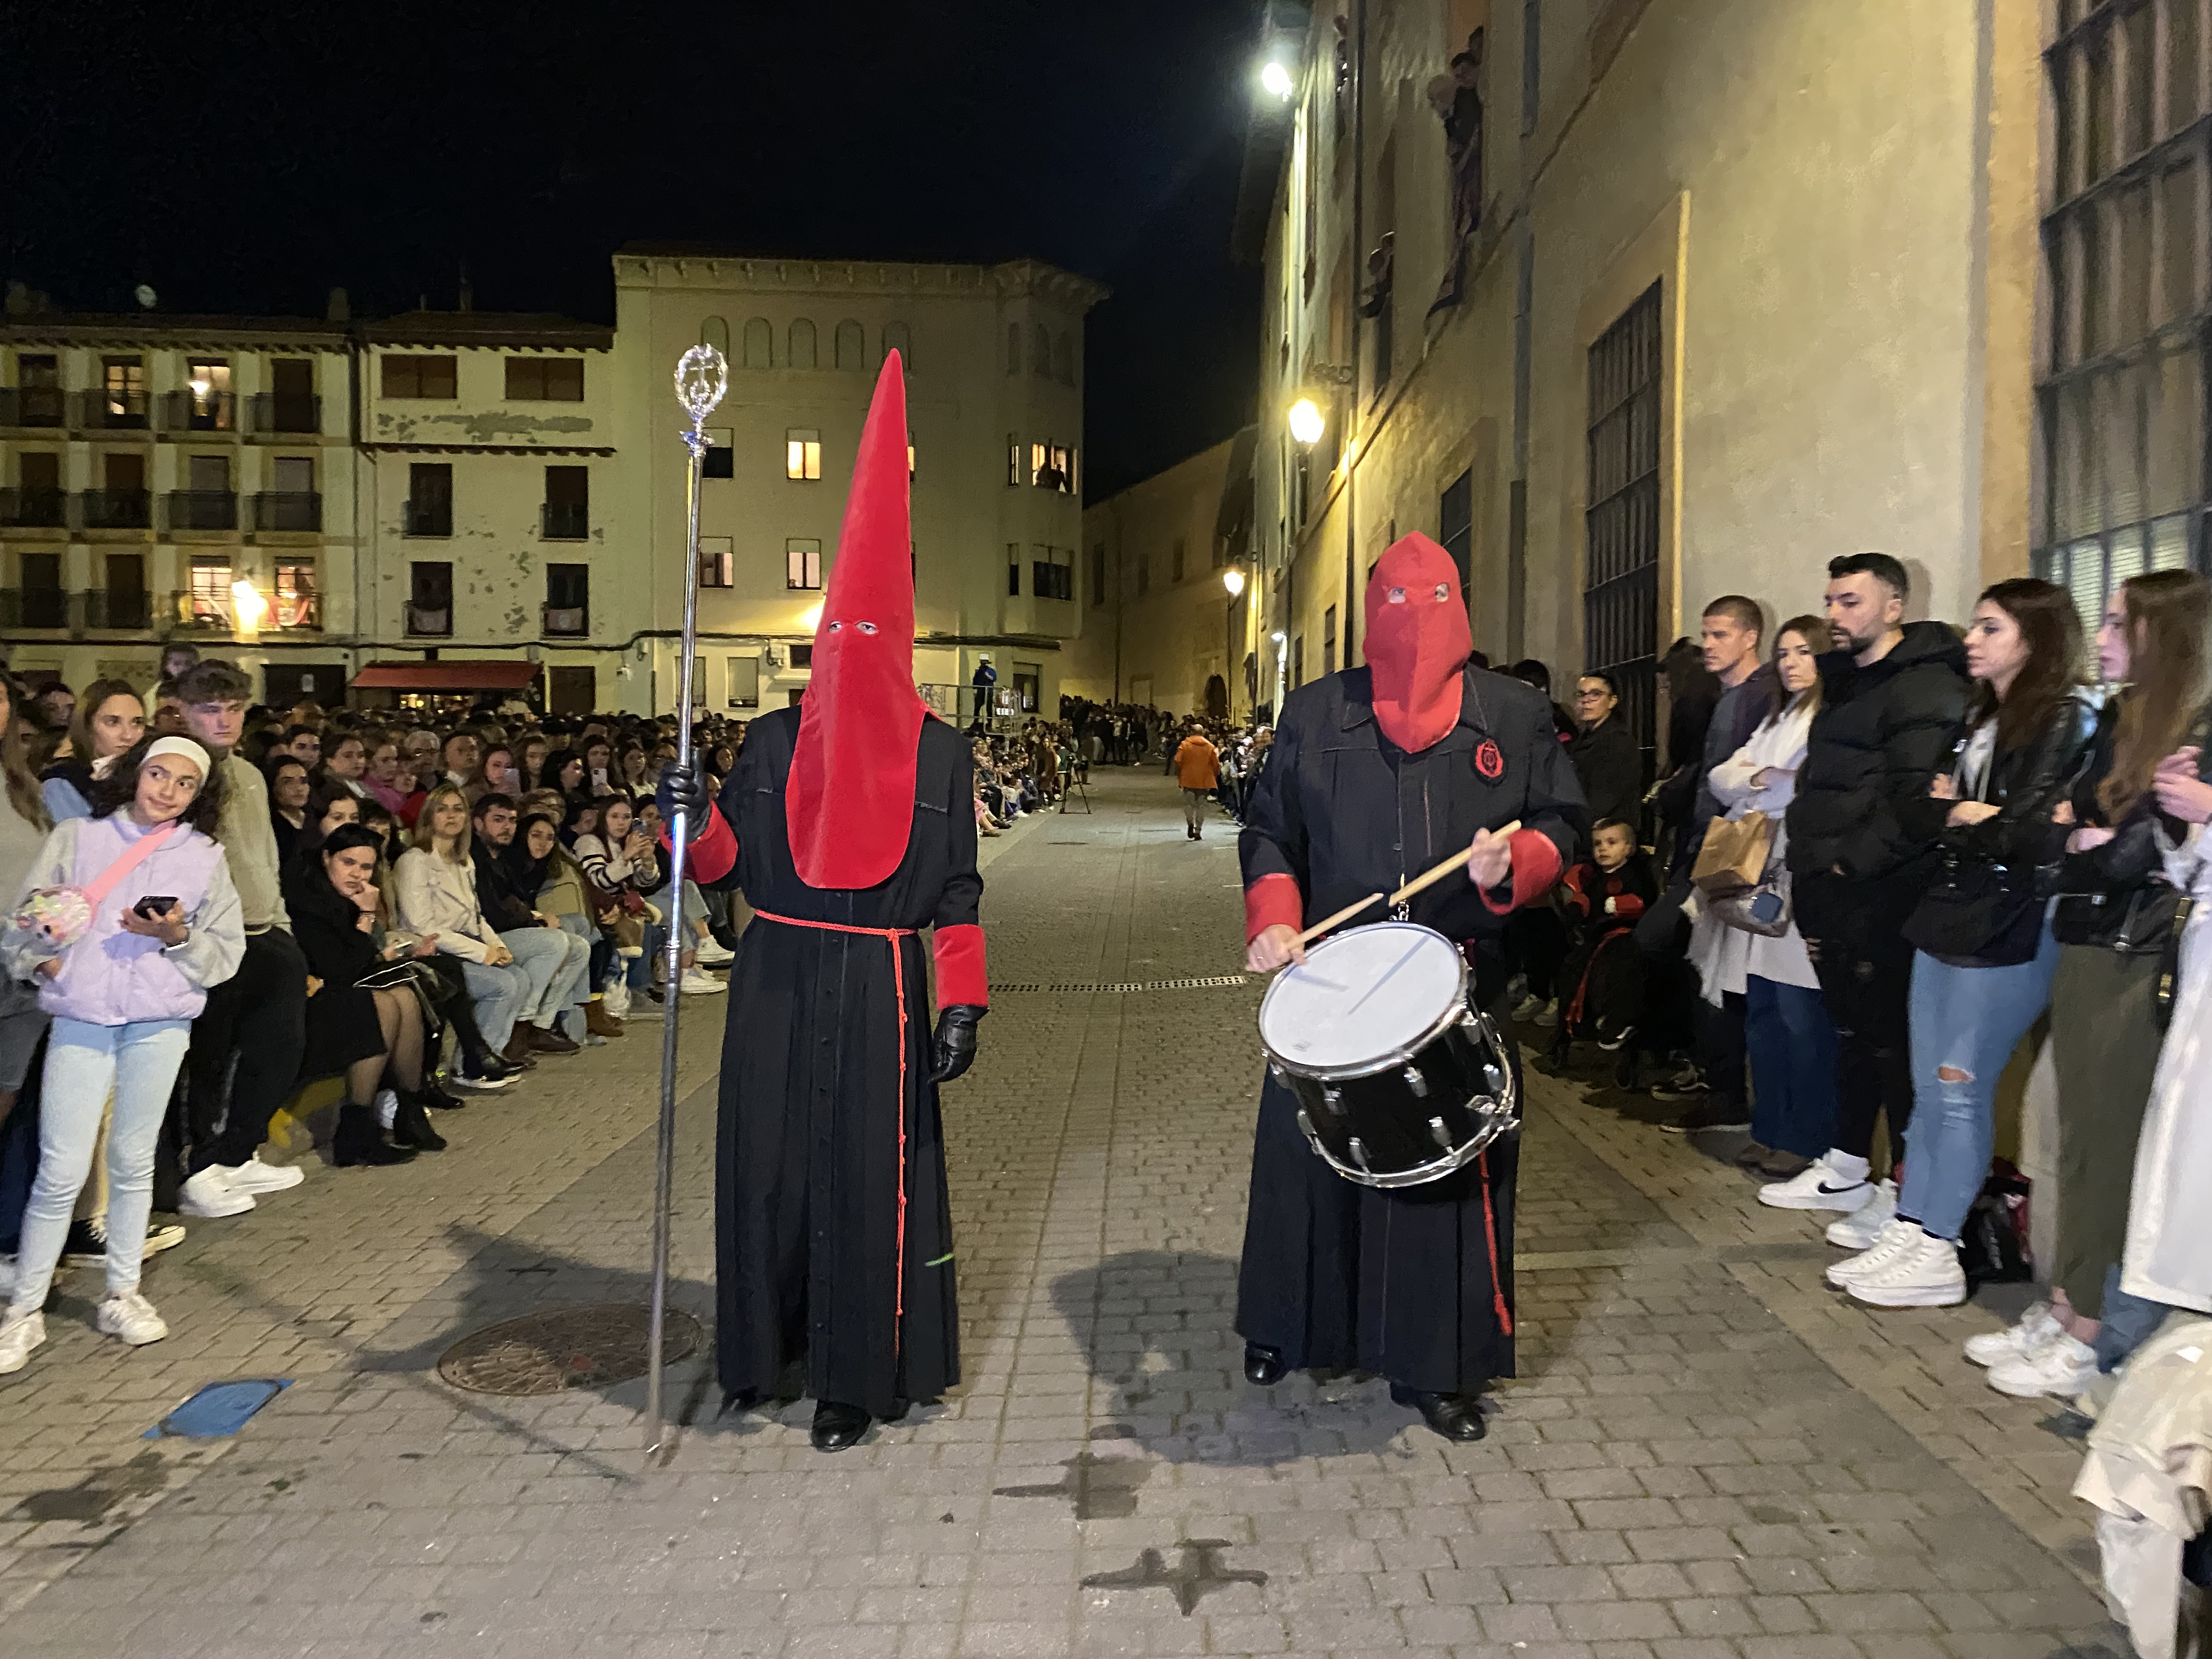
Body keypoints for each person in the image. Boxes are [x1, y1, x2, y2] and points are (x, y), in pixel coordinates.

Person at [666, 354, 989, 1453]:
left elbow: (958, 893)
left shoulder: (945, 758)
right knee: (768, 1168)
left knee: (862, 1180)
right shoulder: (767, 742)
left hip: (884, 986)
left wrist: (964, 1004)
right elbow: (721, 870)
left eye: (867, 642)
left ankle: (855, 1376)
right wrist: (685, 812)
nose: (847, 661)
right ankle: (763, 1350)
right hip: (775, 977)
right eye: (833, 643)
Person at [1237, 532, 1586, 1442]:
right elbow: (1269, 830)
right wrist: (1274, 914)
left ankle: (1437, 1361)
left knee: (1442, 1171)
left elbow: (1561, 820)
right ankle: (1294, 1323)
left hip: (1455, 982)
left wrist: (1522, 857)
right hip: (1333, 978)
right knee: (1304, 1159)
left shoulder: (1515, 714)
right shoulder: (1316, 714)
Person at [1971, 570, 2212, 1396]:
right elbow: (2063, 815)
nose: (2102, 638)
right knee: (2072, 1131)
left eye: (2119, 623)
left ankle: (2093, 1324)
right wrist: (2085, 832)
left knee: (2111, 1141)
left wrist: (2091, 838)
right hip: (2088, 935)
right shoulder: (2120, 717)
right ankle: (2070, 1299)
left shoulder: (2196, 724)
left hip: (2139, 948)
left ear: (2163, 636)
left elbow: (2129, 851)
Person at [1827, 578, 2090, 1308]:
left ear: (2035, 641)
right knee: (1927, 1091)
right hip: (1949, 911)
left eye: (1990, 628)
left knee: (1960, 1085)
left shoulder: (2063, 719)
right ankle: (1914, 1224)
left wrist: (1969, 816)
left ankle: (1941, 1243)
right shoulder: (1979, 716)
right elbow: (1919, 809)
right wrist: (1965, 816)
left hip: (2009, 924)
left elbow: (2036, 835)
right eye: (1975, 627)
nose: (1971, 640)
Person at [0, 735, 244, 1374]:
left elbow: (225, 952)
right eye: (157, 773)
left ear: (199, 794)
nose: (166, 790)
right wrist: (39, 960)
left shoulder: (204, 856)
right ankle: (23, 1310)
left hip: (159, 1021)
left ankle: (122, 1292)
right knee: (60, 1167)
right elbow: (24, 919)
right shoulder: (77, 838)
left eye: (184, 783)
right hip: (82, 1018)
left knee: (133, 1161)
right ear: (136, 773)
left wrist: (176, 937)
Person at [1763, 555, 1970, 1239]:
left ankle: (1903, 1192)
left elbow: (1912, 799)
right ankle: (1849, 1168)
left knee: (1892, 1045)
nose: (1835, 615)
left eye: (1851, 601)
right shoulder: (1849, 683)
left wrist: (1851, 868)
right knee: (1852, 1032)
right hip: (1830, 885)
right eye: (1830, 601)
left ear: (1894, 606)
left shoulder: (1925, 683)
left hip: (1879, 891)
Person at [1687, 616, 1836, 1181]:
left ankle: (1806, 1137)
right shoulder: (1779, 716)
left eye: (1804, 651)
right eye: (1785, 652)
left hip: (1794, 875)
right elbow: (1724, 776)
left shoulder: (1825, 718)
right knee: (1764, 1013)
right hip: (1758, 876)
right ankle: (1770, 1128)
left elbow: (1803, 787)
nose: (1792, 662)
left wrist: (1762, 783)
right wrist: (1758, 780)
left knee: (1801, 1015)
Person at [174, 661, 311, 1221]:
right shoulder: (179, 772)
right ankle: (197, 1170)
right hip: (209, 939)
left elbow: (264, 858)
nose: (224, 719)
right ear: (183, 711)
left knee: (277, 1049)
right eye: (210, 709)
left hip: (264, 930)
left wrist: (280, 926)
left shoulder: (251, 775)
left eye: (233, 708)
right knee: (206, 1063)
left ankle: (238, 1152)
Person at [1651, 596, 1777, 1126]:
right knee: (1705, 966)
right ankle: (1717, 1084)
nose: (1709, 645)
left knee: (1710, 967)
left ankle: (1726, 1092)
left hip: (1732, 850)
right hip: (1708, 848)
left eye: (1721, 634)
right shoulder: (1725, 698)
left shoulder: (1756, 697)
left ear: (1750, 637)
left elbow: (1738, 778)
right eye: (1707, 635)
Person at [284, 824, 444, 1166]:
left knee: (403, 996)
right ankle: (356, 1130)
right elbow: (343, 966)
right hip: (308, 1004)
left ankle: (409, 1110)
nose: (357, 874)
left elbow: (361, 963)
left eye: (366, 867)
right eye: (348, 863)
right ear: (327, 858)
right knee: (380, 1004)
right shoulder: (308, 900)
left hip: (343, 994)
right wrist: (366, 916)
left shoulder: (348, 898)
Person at [393, 785, 535, 1086]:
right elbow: (422, 927)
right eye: (442, 809)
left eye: (458, 809)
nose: (451, 816)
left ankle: (486, 1056)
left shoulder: (463, 860)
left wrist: (497, 945)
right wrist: (483, 953)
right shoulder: (415, 861)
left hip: (463, 943)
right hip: (433, 950)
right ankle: (470, 1066)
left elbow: (476, 916)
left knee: (520, 978)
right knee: (503, 985)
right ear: (429, 817)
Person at [468, 793, 588, 1057]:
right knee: (555, 942)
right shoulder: (475, 858)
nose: (507, 827)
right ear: (478, 823)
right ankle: (518, 1029)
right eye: (498, 820)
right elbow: (493, 911)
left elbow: (515, 903)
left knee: (579, 946)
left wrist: (531, 917)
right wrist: (534, 918)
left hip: (506, 931)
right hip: (483, 938)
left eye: (511, 820)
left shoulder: (500, 857)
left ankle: (539, 1025)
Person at [1548, 817, 1655, 1057]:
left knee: (1620, 964)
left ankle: (1618, 1019)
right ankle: (1572, 1027)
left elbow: (1645, 899)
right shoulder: (1592, 877)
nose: (1603, 849)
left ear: (1629, 848)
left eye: (1611, 842)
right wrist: (1576, 907)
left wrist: (1619, 904)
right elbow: (1584, 900)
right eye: (1598, 844)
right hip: (1595, 936)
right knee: (1572, 968)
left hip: (1627, 934)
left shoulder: (1636, 874)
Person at [41, 679, 144, 823]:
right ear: (87, 726)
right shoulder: (61, 783)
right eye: (113, 722)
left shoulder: (148, 776)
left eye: (137, 723)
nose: (128, 735)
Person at [1566, 671, 1641, 831]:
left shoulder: (1618, 742)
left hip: (1607, 834)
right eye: (1581, 694)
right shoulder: (1585, 738)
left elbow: (1604, 800)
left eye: (1596, 694)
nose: (1586, 701)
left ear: (1612, 701)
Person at [1173, 721, 1220, 840]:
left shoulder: (1185, 745)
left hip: (1188, 778)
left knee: (1190, 804)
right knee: (1201, 806)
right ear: (1203, 733)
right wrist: (1215, 774)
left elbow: (1178, 760)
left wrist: (1183, 769)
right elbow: (1215, 764)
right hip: (1205, 779)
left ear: (1192, 732)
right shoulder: (1210, 746)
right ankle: (1198, 831)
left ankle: (1190, 823)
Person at [267, 755, 311, 868]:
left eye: (303, 781)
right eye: (288, 782)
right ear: (273, 786)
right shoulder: (271, 826)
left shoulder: (316, 819)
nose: (299, 788)